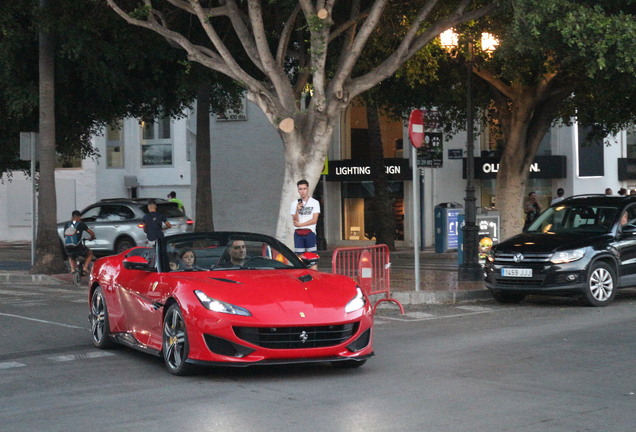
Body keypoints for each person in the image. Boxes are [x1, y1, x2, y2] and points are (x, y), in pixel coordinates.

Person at [290, 179, 320, 268]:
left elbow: (314, 220)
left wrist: (301, 225)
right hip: (298, 233)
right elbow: (295, 221)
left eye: (304, 189)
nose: (302, 191)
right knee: (299, 257)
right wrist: (297, 210)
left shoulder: (314, 202)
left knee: (312, 257)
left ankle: (314, 275)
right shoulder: (295, 203)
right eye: (300, 189)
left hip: (310, 232)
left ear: (307, 189)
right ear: (298, 190)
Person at [63, 210, 95, 275]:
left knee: (71, 255)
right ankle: (85, 268)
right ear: (78, 217)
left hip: (68, 246)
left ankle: (72, 269)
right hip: (77, 246)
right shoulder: (81, 224)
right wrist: (92, 237)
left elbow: (65, 235)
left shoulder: (67, 224)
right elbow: (91, 232)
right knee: (90, 253)